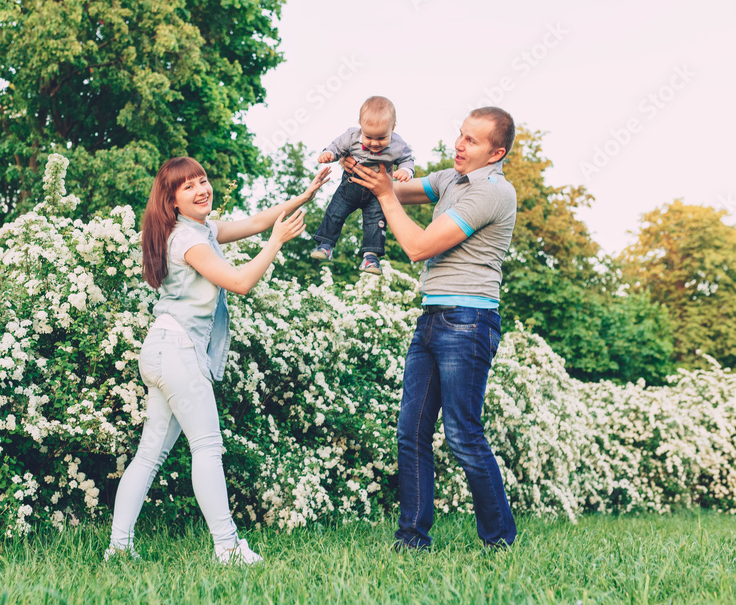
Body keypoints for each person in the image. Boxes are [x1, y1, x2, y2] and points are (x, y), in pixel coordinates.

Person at [105, 156, 331, 565]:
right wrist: (276, 243)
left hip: (163, 348)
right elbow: (240, 282)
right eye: (188, 186)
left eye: (203, 180)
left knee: (149, 456)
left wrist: (305, 196)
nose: (201, 189)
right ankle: (227, 547)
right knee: (207, 447)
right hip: (177, 351)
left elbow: (256, 221)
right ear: (173, 200)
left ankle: (118, 548)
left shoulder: (202, 230)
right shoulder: (188, 240)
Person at [347, 106, 518, 551]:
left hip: (469, 320)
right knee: (412, 432)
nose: (459, 145)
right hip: (431, 316)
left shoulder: (493, 193)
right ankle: (412, 539)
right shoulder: (449, 180)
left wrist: (384, 194)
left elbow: (419, 246)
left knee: (463, 435)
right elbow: (394, 188)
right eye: (460, 134)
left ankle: (499, 540)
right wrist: (362, 165)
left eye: (472, 141)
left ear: (496, 153)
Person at [310, 96, 415, 276]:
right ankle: (325, 245)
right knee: (334, 213)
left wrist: (405, 171)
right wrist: (329, 154)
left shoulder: (398, 145)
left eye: (381, 138)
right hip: (349, 187)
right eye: (368, 137)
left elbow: (407, 159)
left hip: (376, 193)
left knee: (376, 223)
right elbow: (336, 147)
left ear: (393, 128)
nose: (374, 143)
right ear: (360, 125)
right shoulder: (351, 136)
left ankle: (370, 257)